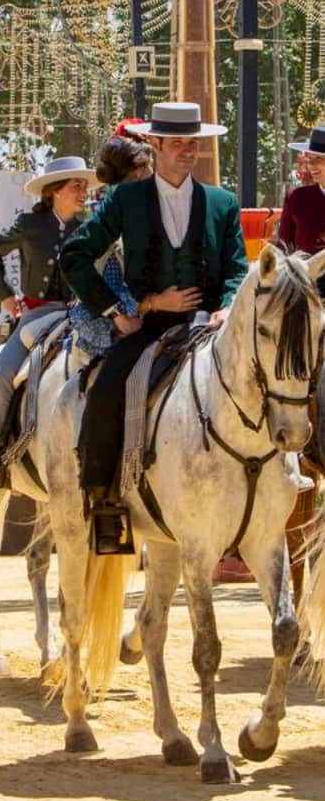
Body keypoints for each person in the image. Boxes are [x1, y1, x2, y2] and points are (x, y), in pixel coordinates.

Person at [61, 102, 247, 554]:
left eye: (194, 143)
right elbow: (75, 257)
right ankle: (103, 499)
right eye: (178, 143)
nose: (188, 151)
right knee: (107, 389)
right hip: (150, 324)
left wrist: (226, 306)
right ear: (157, 144)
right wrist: (116, 312)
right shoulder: (126, 200)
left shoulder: (222, 203)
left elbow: (238, 269)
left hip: (211, 324)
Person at [0, 156, 101, 482]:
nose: (83, 192)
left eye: (85, 186)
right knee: (0, 374)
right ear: (55, 191)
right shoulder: (29, 225)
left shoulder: (87, 230)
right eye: (76, 186)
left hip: (79, 314)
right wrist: (4, 294)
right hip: (36, 315)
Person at [69, 134, 154, 357]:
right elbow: (73, 259)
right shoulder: (110, 210)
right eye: (151, 167)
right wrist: (118, 316)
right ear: (139, 171)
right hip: (112, 316)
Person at [278, 127, 325, 284]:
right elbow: (283, 246)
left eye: (318, 160)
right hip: (305, 290)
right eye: (310, 160)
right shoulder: (296, 198)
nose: (311, 166)